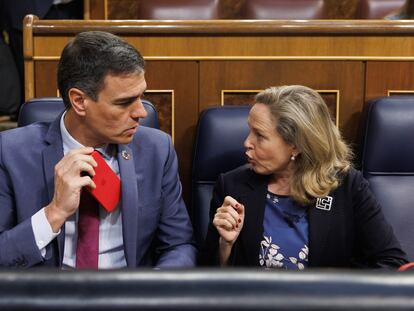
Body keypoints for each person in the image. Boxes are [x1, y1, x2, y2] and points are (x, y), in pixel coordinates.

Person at [0, 31, 196, 268]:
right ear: (79, 101)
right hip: (49, 298)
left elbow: (179, 245)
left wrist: (150, 295)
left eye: (140, 97)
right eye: (124, 102)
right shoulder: (10, 153)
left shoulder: (157, 150)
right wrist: (54, 212)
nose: (141, 113)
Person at [201, 85, 407, 269]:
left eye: (260, 135)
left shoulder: (347, 186)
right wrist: (225, 246)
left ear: (296, 145)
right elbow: (209, 278)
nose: (247, 142)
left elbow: (391, 262)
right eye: (250, 131)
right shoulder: (233, 186)